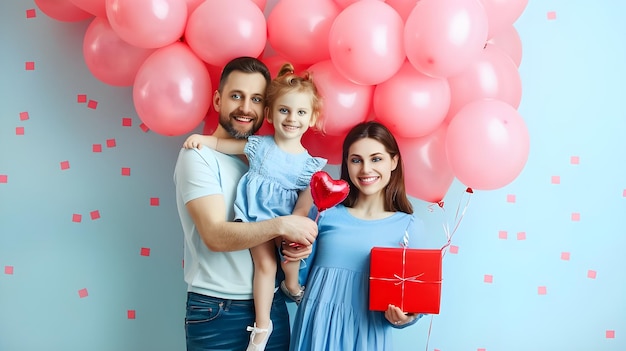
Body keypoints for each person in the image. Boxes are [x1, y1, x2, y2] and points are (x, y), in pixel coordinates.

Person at [173, 57, 318, 351]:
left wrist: (295, 245)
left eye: (256, 99)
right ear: (218, 100)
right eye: (236, 96)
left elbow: (284, 225)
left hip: (272, 304)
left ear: (265, 108)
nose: (245, 108)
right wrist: (282, 225)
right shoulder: (199, 156)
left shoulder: (260, 163)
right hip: (219, 310)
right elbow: (214, 236)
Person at [289, 121, 424, 351]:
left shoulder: (409, 227)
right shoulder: (324, 215)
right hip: (316, 330)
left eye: (376, 158)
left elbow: (415, 303)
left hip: (365, 335)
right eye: (356, 160)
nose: (365, 170)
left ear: (394, 161)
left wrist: (406, 318)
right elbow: (295, 280)